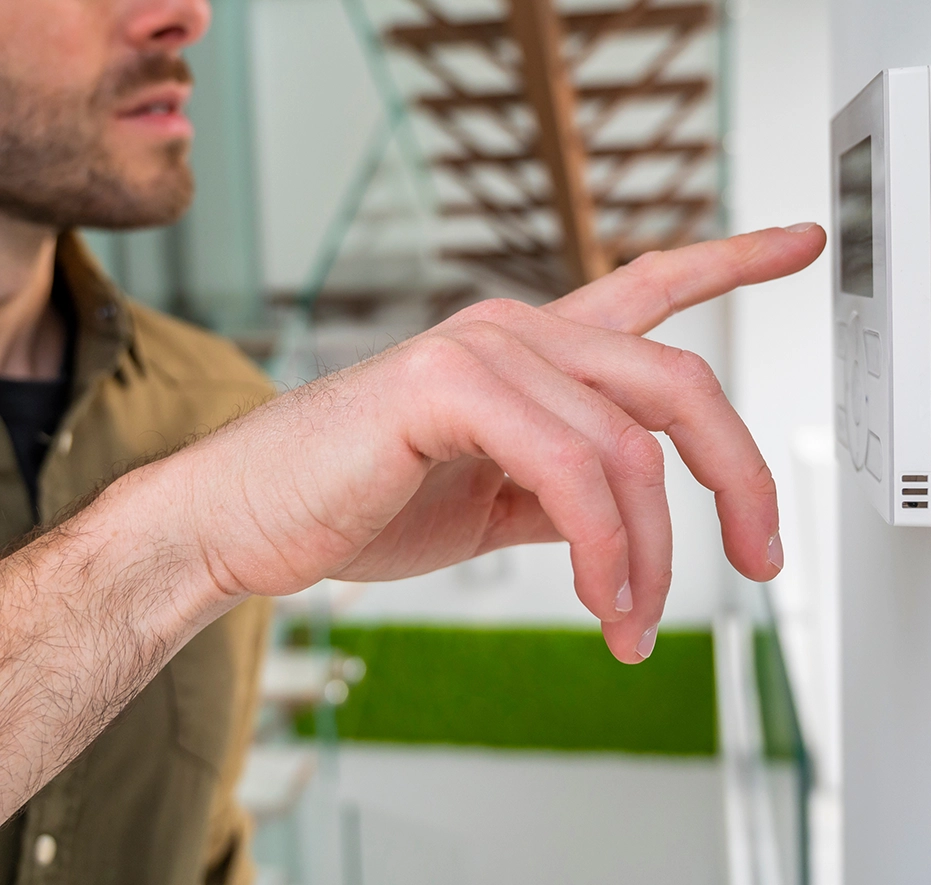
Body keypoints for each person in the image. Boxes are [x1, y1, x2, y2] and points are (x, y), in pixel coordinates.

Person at [0, 0, 827, 881]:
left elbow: (201, 845)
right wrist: (182, 538)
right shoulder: (217, 484)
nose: (186, 16)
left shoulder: (215, 401)